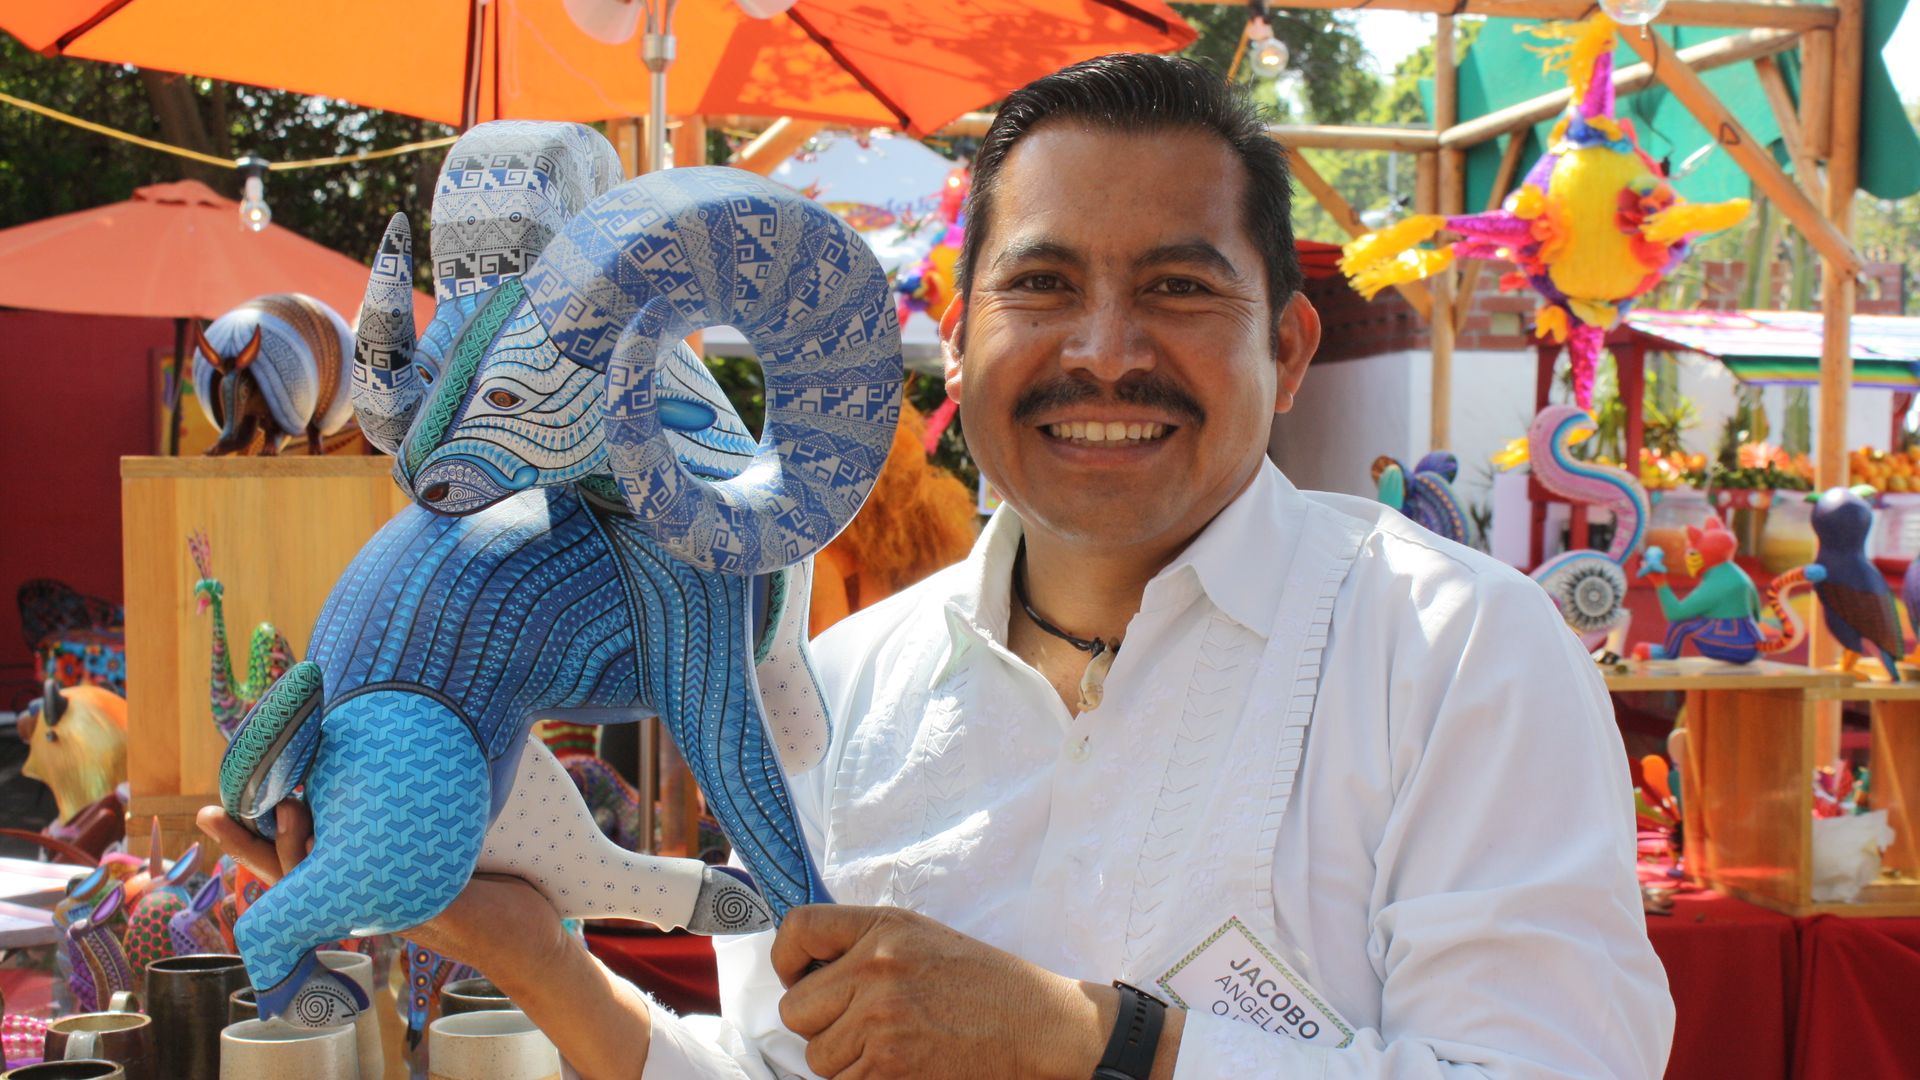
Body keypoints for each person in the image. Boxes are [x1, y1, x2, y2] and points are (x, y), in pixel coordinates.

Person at [203, 53, 1673, 1080]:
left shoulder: (1459, 655)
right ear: (954, 350)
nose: (1104, 351)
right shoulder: (837, 691)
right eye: (1040, 286)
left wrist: (1092, 1043)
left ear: (1285, 352)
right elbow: (777, 1071)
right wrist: (528, 949)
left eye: (1177, 286)